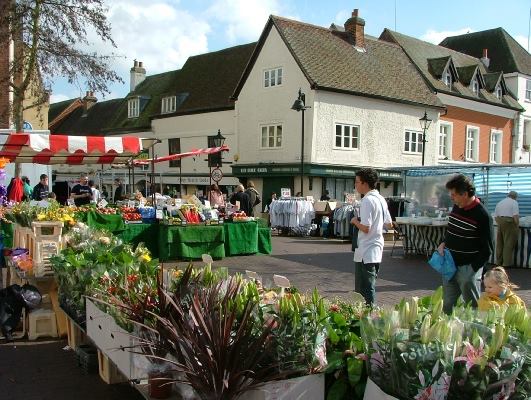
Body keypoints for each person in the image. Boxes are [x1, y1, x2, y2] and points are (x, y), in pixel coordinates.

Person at [437, 174, 493, 314]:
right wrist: (443, 243)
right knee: (448, 304)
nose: (452, 198)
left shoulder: (483, 215)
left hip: (467, 267)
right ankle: (448, 332)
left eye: (454, 195)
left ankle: (471, 334)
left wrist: (472, 270)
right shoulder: (457, 207)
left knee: (471, 307)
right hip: (450, 264)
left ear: (466, 194)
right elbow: (451, 230)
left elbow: (488, 249)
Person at [351, 168, 392, 306]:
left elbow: (366, 228)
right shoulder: (381, 199)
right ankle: (368, 315)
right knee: (369, 284)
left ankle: (367, 318)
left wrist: (355, 221)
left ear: (365, 183)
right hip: (376, 248)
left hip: (366, 249)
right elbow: (389, 224)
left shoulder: (367, 200)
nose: (355, 185)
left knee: (364, 289)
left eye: (357, 182)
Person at [493, 191, 519, 267]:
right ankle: (506, 264)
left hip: (500, 222)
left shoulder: (500, 202)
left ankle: (498, 262)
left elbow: (495, 216)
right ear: (515, 197)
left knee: (500, 243)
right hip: (509, 222)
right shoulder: (514, 202)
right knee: (508, 243)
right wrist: (517, 225)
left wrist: (500, 223)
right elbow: (515, 216)